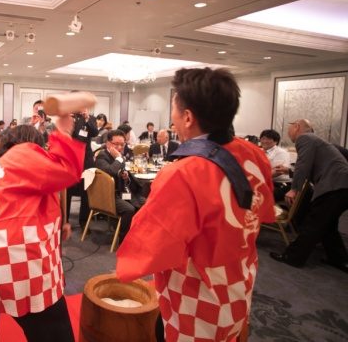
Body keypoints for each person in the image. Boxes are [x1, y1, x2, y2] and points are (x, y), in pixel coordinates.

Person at [116, 67, 275, 342]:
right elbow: (261, 212)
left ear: (188, 117)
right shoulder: (255, 154)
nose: (172, 121)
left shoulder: (182, 172)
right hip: (240, 273)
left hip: (197, 286)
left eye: (174, 112)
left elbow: (153, 245)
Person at [0, 117, 84, 342]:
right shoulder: (25, 153)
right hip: (22, 266)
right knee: (53, 333)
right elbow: (68, 171)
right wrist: (63, 132)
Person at [270, 119, 348, 273]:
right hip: (341, 185)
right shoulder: (315, 141)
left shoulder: (305, 138)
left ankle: (293, 257)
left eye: (290, 128)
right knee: (327, 225)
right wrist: (288, 171)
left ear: (297, 127)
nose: (288, 133)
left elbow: (303, 165)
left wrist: (294, 189)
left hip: (334, 186)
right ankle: (338, 259)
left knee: (313, 223)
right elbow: (309, 166)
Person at [95, 129, 143, 242]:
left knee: (146, 202)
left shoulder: (118, 156)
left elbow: (119, 175)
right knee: (129, 209)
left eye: (122, 144)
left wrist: (126, 178)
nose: (120, 147)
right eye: (116, 144)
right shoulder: (102, 155)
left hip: (122, 191)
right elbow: (110, 172)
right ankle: (124, 240)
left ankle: (137, 235)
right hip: (108, 195)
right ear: (108, 143)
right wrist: (119, 158)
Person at [66, 108, 98, 228]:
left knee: (86, 191)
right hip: (71, 159)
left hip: (86, 158)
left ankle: (84, 221)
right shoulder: (67, 117)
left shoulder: (91, 118)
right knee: (67, 191)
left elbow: (95, 133)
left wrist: (87, 119)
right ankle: (64, 220)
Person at [259, 129, 292, 201]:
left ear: (276, 141)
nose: (264, 141)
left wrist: (258, 178)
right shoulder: (259, 151)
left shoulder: (281, 152)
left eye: (268, 139)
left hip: (280, 184)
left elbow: (278, 171)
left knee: (257, 195)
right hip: (265, 182)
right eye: (263, 138)